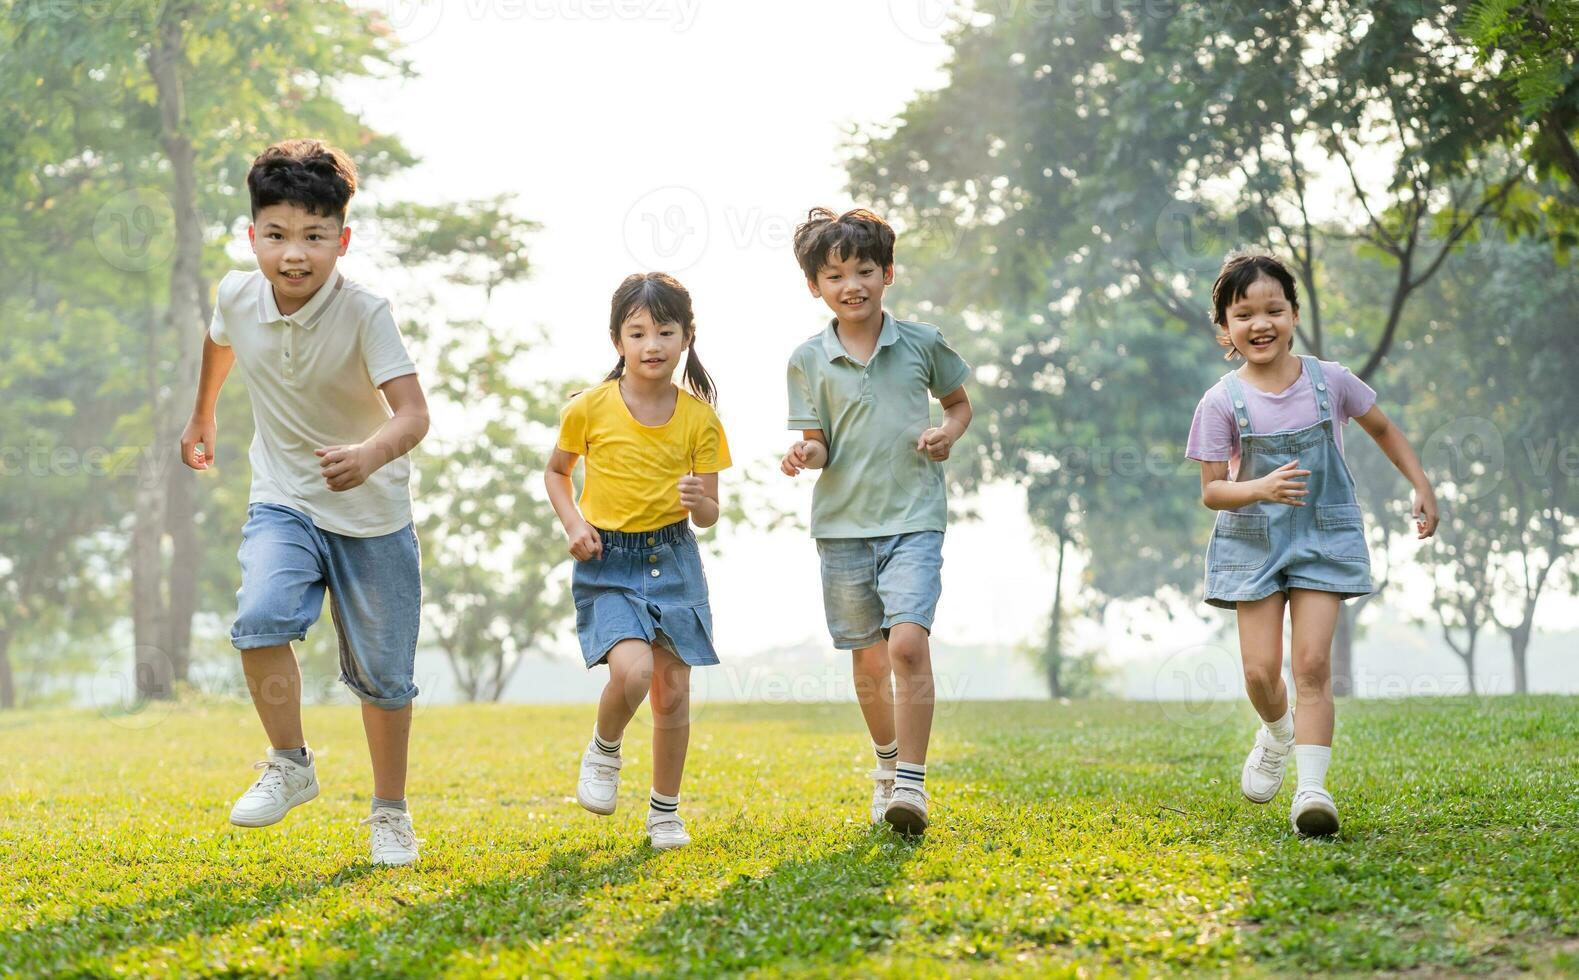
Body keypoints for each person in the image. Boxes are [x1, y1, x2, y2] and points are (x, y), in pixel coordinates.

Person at [180, 139, 430, 865]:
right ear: (253, 234)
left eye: (315, 238)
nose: (295, 254)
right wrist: (204, 414)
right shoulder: (236, 291)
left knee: (385, 678)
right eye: (278, 235)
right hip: (283, 497)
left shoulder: (364, 312)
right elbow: (220, 341)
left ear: (341, 240)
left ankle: (390, 814)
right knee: (258, 619)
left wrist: (368, 454)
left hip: (372, 514)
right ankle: (289, 763)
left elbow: (413, 415)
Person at [1186, 250, 1439, 836]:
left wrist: (1420, 483)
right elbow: (1212, 492)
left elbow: (1383, 429)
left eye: (1274, 308)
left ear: (1294, 313)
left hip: (1322, 536)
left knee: (1312, 664)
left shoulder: (1332, 381)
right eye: (1244, 313)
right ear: (1225, 326)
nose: (1261, 323)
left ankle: (1312, 790)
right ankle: (1277, 734)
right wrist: (1261, 488)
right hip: (1252, 541)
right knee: (1258, 673)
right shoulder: (1222, 401)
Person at [781, 207, 973, 836]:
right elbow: (819, 444)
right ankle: (887, 766)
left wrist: (946, 433)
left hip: (915, 519)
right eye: (834, 275)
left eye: (864, 269)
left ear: (887, 273)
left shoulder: (922, 342)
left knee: (908, 646)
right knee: (868, 665)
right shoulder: (807, 360)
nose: (851, 284)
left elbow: (958, 405)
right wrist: (803, 453)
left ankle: (912, 786)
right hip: (841, 528)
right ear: (816, 286)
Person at [544, 272, 730, 851]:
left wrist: (703, 502)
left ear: (686, 338)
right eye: (639, 332)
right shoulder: (588, 408)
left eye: (666, 332)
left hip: (673, 558)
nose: (653, 345)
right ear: (617, 339)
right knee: (633, 673)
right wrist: (574, 524)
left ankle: (665, 812)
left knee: (672, 693)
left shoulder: (701, 419)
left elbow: (709, 513)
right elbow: (556, 472)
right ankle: (604, 748)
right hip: (609, 562)